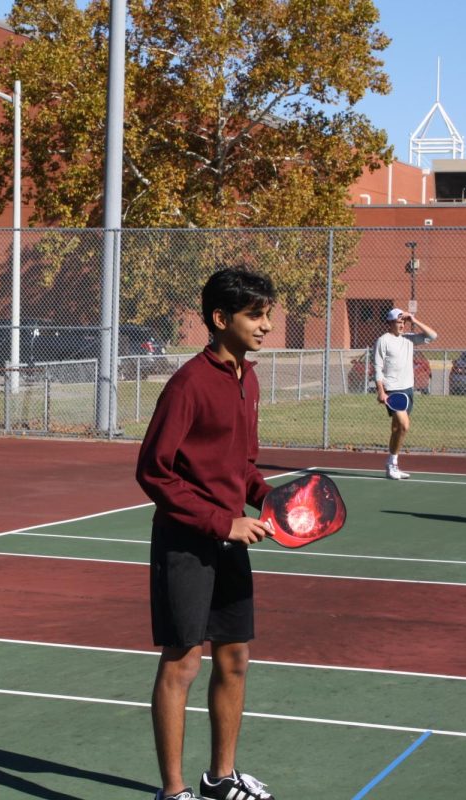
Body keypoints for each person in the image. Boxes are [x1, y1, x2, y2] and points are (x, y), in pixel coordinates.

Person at [136, 268, 276, 800]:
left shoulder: (249, 378)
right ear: (221, 320)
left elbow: (240, 465)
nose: (266, 325)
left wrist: (269, 498)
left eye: (267, 314)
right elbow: (153, 471)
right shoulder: (188, 384)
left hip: (232, 542)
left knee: (235, 657)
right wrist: (223, 522)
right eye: (255, 315)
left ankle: (220, 779)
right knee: (183, 662)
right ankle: (173, 792)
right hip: (186, 544)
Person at [373, 308, 438, 480]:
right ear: (390, 323)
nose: (401, 325)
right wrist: (381, 391)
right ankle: (392, 463)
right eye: (398, 322)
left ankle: (391, 464)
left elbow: (433, 336)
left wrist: (414, 320)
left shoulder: (408, 339)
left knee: (397, 429)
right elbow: (378, 368)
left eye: (403, 322)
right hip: (392, 390)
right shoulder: (383, 341)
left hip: (408, 389)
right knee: (404, 425)